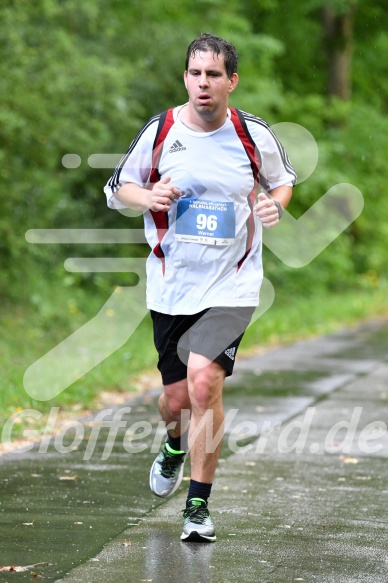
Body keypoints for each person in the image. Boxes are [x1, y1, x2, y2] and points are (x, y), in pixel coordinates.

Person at [104, 33, 296, 543]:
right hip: (171, 283)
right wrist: (148, 195)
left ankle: (197, 506)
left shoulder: (253, 134)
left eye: (213, 74)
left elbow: (282, 180)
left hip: (232, 282)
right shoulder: (163, 129)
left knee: (205, 384)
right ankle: (172, 445)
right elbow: (116, 189)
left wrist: (274, 203)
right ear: (185, 78)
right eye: (195, 73)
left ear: (231, 81)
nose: (203, 83)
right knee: (175, 399)